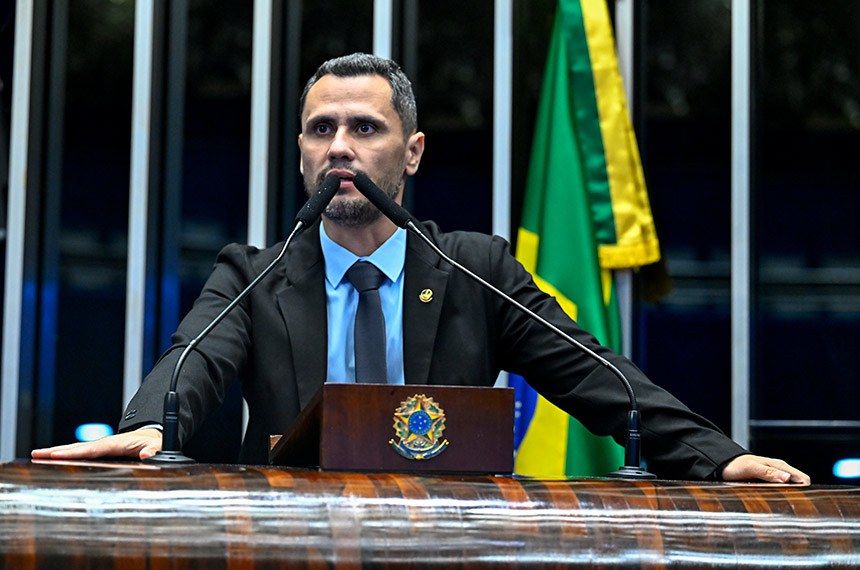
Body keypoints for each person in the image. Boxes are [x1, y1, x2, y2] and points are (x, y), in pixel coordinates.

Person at [33, 53, 809, 484]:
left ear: (411, 154)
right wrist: (145, 426)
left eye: (365, 127)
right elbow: (189, 365)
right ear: (301, 152)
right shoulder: (254, 273)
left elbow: (599, 377)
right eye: (321, 129)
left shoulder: (474, 269)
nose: (339, 146)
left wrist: (723, 456)